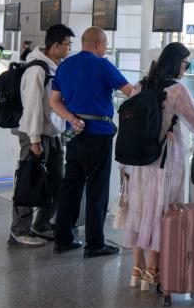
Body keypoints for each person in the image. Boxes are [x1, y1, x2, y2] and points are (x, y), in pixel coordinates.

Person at [122, 43, 194, 291]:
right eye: (186, 63)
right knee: (162, 210)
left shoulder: (142, 84)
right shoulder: (177, 90)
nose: (186, 68)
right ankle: (153, 271)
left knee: (140, 209)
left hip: (140, 158)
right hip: (166, 159)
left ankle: (137, 268)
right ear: (177, 63)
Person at [50, 26, 133, 257]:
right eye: (105, 45)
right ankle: (95, 244)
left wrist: (72, 119)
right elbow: (130, 91)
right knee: (97, 188)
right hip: (99, 133)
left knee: (70, 186)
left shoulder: (65, 65)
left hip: (74, 132)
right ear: (98, 44)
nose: (105, 49)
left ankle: (62, 240)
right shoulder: (103, 65)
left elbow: (54, 101)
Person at [7, 24, 75, 248]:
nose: (69, 49)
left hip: (53, 133)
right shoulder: (37, 70)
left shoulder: (56, 67)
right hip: (34, 134)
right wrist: (35, 140)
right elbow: (33, 107)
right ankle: (19, 231)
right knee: (29, 181)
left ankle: (41, 224)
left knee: (56, 181)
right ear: (55, 46)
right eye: (67, 45)